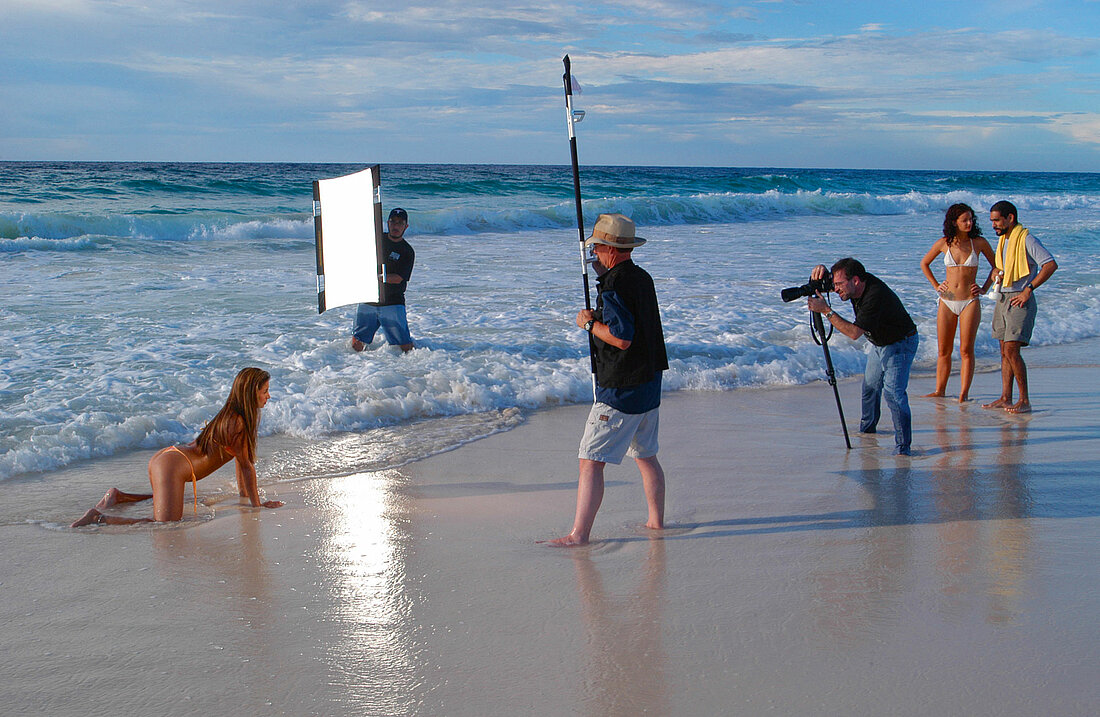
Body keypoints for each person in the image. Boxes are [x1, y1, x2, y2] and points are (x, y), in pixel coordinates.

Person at [547, 214, 669, 546]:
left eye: (596, 249)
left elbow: (622, 337)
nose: (594, 256)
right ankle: (656, 522)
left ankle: (578, 535)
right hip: (649, 383)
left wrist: (588, 323)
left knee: (590, 461)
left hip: (621, 387)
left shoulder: (615, 284)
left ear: (609, 249)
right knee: (645, 455)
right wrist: (600, 314)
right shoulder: (642, 278)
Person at [71, 367, 283, 526]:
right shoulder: (238, 423)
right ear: (250, 392)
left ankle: (118, 497)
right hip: (173, 466)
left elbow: (240, 460)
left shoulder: (230, 416)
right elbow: (246, 466)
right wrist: (258, 505)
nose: (268, 396)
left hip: (170, 457)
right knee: (165, 524)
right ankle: (99, 518)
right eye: (265, 391)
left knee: (167, 503)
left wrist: (244, 494)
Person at [807, 258, 919, 455]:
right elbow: (837, 278)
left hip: (900, 343)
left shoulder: (874, 296)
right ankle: (867, 431)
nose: (836, 289)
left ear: (856, 281)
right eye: (834, 285)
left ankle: (903, 447)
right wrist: (821, 272)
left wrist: (825, 310)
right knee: (870, 387)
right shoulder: (852, 283)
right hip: (879, 342)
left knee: (893, 394)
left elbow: (853, 333)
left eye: (838, 285)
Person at [981, 200, 1058, 414]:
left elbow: (1050, 264)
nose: (994, 225)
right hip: (1003, 296)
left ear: (1010, 218)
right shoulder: (1004, 240)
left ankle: (1025, 400)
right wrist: (996, 273)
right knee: (1004, 351)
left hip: (1020, 298)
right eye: (992, 221)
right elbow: (1002, 267)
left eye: (997, 220)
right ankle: (1006, 397)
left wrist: (1029, 289)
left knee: (1012, 350)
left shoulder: (1026, 239)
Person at [919, 203, 997, 402]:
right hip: (947, 301)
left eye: (971, 219)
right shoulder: (944, 243)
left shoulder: (978, 243)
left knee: (966, 350)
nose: (969, 223)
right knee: (944, 350)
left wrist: (985, 288)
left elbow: (997, 267)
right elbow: (924, 263)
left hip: (970, 301)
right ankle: (940, 390)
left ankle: (963, 394)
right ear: (955, 222)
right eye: (965, 220)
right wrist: (937, 285)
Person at [351, 207, 416, 353]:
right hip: (368, 299)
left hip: (392, 303)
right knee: (357, 345)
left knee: (405, 348)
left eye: (400, 223)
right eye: (393, 222)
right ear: (387, 223)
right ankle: (356, 370)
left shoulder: (407, 251)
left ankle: (412, 371)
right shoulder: (376, 241)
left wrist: (376, 278)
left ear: (406, 226)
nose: (395, 226)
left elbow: (398, 278)